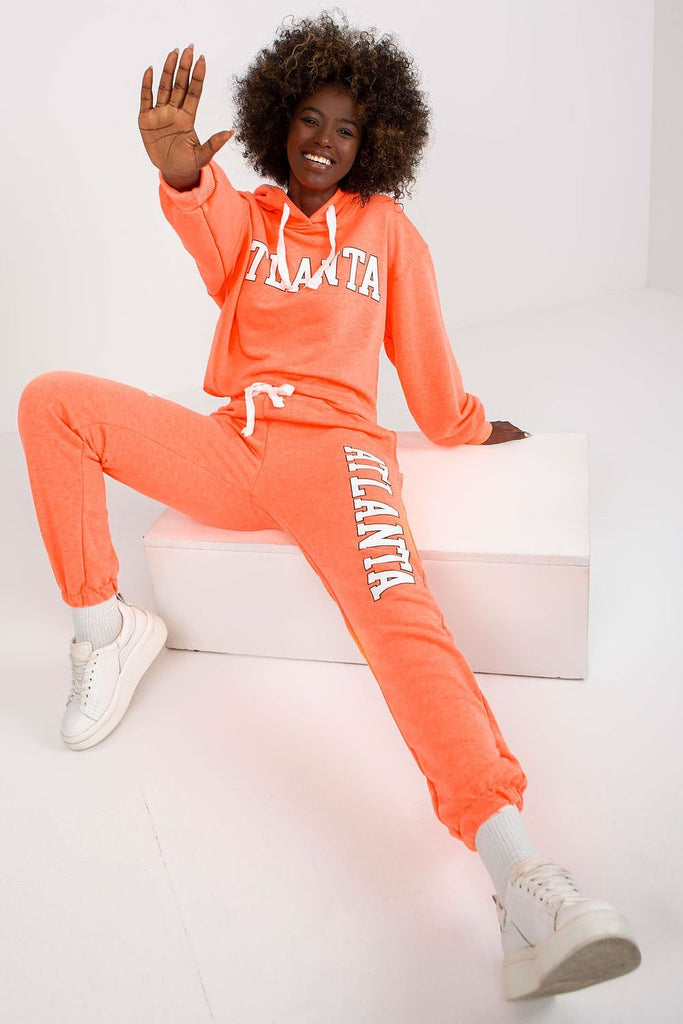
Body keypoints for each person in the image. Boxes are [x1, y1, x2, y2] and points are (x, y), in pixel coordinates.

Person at [17, 11, 640, 1002]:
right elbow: (207, 225)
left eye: (345, 129)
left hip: (338, 459)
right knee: (52, 400)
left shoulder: (387, 233)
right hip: (233, 444)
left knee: (401, 621)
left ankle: (522, 879)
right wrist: (182, 176)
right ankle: (106, 630)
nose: (322, 140)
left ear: (373, 141)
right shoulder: (251, 216)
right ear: (279, 120)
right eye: (308, 118)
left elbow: (427, 377)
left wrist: (472, 427)